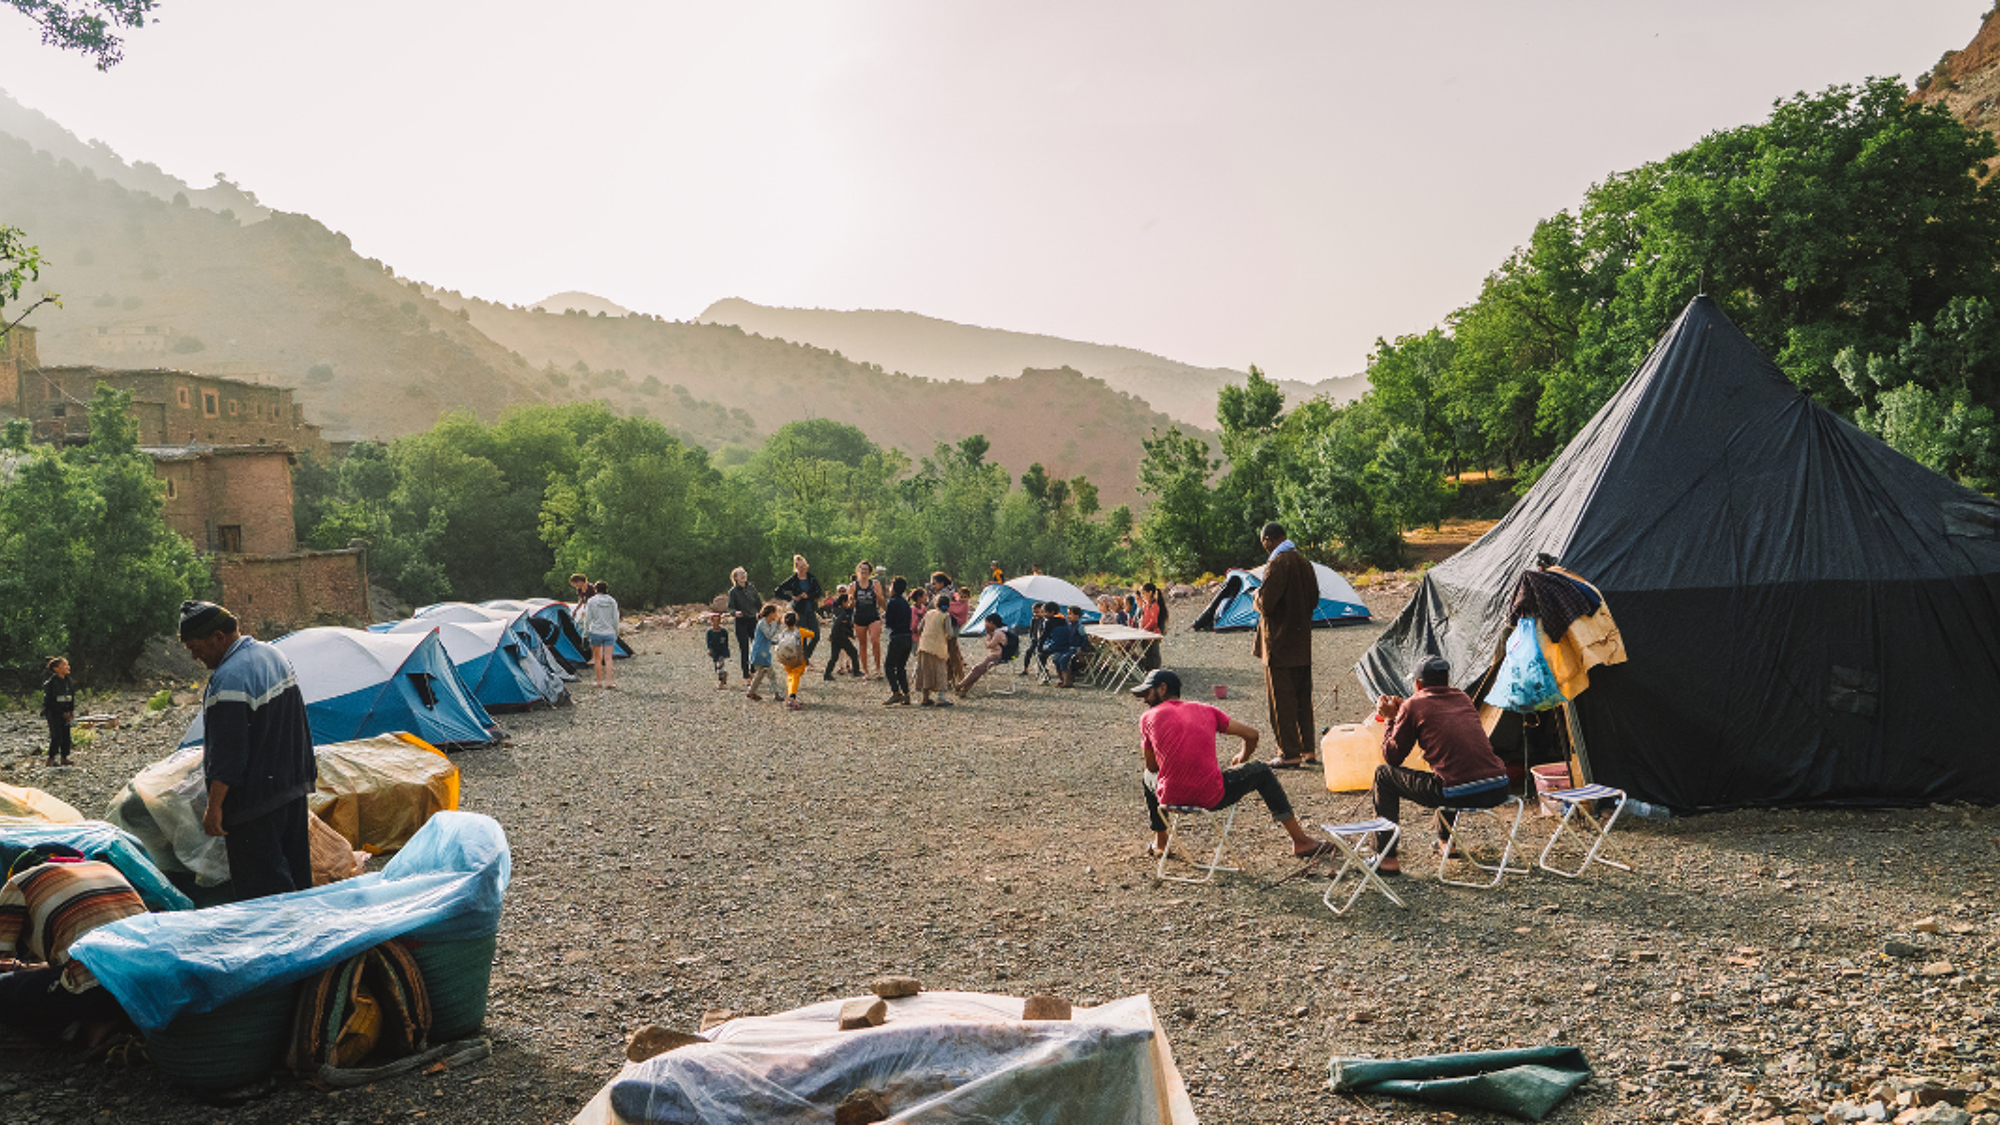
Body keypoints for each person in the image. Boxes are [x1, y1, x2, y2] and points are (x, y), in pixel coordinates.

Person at [178, 600, 316, 898]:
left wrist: (214, 807)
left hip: (254, 803)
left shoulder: (230, 678)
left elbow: (230, 751)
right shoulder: (273, 654)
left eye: (195, 646)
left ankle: (278, 942)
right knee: (297, 876)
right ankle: (307, 938)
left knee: (264, 891)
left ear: (218, 636)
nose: (194, 656)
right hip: (291, 787)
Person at [1131, 669, 1330, 860]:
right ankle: (1300, 840)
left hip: (1170, 798)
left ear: (1163, 689)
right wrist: (1242, 756)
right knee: (1261, 770)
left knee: (1146, 777)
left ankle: (1161, 842)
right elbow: (1252, 735)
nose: (1145, 699)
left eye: (1147, 693)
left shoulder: (1147, 717)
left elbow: (1152, 767)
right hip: (1212, 796)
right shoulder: (1206, 710)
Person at [1370, 656, 1512, 876]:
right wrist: (1403, 713)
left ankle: (1386, 858)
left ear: (1418, 684)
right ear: (1447, 680)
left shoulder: (1413, 705)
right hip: (1499, 788)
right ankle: (1446, 842)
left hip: (1459, 794)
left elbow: (1392, 757)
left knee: (1383, 775)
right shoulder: (1462, 697)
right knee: (1451, 766)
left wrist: (1390, 718)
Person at [0, 846, 146, 1051]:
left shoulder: (18, 883)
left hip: (94, 992)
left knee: (9, 986)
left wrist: (18, 967)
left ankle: (85, 1032)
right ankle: (117, 1024)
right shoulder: (105, 869)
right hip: (148, 985)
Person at [1254, 521, 1318, 768]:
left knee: (1281, 701)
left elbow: (1267, 603)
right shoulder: (1304, 562)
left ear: (1269, 539)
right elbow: (1313, 599)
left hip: (1278, 645)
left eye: (1264, 543)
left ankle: (1289, 753)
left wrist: (1255, 597)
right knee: (1303, 699)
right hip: (1302, 643)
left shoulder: (1277, 563)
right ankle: (1307, 749)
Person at [775, 555, 824, 664]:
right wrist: (791, 597)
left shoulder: (812, 578)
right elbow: (778, 591)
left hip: (811, 609)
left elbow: (819, 592)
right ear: (796, 567)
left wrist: (808, 595)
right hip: (799, 611)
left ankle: (806, 657)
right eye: (801, 567)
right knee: (802, 637)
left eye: (805, 566)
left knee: (816, 635)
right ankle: (803, 661)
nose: (803, 568)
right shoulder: (793, 580)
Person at [913, 588, 958, 707]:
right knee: (940, 671)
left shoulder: (929, 613)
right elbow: (950, 633)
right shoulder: (946, 616)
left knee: (925, 670)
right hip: (938, 648)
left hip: (924, 646)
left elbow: (919, 628)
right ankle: (941, 698)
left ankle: (925, 698)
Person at [956, 614, 1014, 697]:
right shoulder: (1000, 631)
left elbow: (989, 645)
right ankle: (964, 690)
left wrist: (987, 636)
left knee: (977, 669)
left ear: (991, 623)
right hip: (996, 655)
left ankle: (961, 685)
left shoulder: (998, 633)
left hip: (996, 656)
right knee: (978, 671)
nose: (985, 625)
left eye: (986, 623)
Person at [881, 576, 915, 706]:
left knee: (889, 666)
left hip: (897, 636)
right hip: (908, 636)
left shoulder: (892, 601)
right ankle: (906, 694)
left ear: (893, 589)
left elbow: (889, 622)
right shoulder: (906, 603)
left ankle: (896, 692)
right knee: (901, 667)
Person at [581, 580, 621, 690]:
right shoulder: (612, 601)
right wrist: (616, 632)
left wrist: (585, 633)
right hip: (609, 632)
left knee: (598, 659)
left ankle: (598, 682)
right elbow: (616, 619)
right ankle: (609, 682)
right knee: (608, 658)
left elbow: (588, 619)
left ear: (595, 590)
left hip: (596, 632)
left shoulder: (591, 601)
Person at [852, 561, 887, 681]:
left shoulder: (875, 584)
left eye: (866, 570)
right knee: (862, 644)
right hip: (859, 616)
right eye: (862, 569)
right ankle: (866, 671)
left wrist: (878, 596)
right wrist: (851, 601)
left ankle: (878, 669)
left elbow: (882, 603)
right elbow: (850, 606)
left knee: (875, 640)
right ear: (858, 571)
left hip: (873, 615)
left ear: (870, 572)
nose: (864, 572)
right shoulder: (853, 585)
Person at [727, 567, 761, 681]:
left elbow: (759, 604)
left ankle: (752, 670)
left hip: (753, 620)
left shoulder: (752, 589)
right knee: (744, 648)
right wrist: (735, 613)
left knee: (756, 646)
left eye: (744, 573)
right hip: (741, 621)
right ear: (736, 578)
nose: (743, 575)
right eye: (740, 574)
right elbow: (730, 608)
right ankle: (746, 676)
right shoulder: (733, 592)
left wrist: (763, 614)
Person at [775, 611, 813, 711]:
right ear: (796, 621)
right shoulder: (799, 631)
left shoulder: (783, 633)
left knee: (790, 676)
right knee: (795, 676)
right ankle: (792, 696)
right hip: (797, 659)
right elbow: (812, 634)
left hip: (785, 659)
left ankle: (789, 694)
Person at [1042, 606, 1088, 688]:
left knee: (1063, 659)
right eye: (1068, 614)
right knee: (1056, 658)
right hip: (1067, 647)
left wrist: (1081, 649)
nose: (1068, 616)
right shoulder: (1067, 625)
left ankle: (1068, 681)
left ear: (1077, 616)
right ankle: (1061, 679)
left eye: (1070, 614)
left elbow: (1085, 639)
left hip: (1075, 648)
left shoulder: (1080, 627)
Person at [822, 587, 861, 681]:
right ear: (843, 603)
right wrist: (832, 635)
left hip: (837, 638)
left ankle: (827, 674)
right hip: (841, 637)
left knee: (834, 657)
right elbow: (837, 625)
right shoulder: (843, 613)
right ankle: (856, 671)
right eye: (847, 602)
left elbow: (845, 626)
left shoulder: (838, 611)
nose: (849, 604)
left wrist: (851, 635)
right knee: (854, 653)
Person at [40, 657, 73, 767]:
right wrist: (60, 712)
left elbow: (71, 697)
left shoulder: (68, 681)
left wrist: (70, 710)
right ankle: (51, 758)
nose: (67, 667)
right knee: (57, 735)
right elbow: (50, 701)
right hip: (53, 713)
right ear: (56, 669)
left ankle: (64, 757)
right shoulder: (51, 683)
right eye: (64, 665)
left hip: (65, 712)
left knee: (66, 734)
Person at [744, 604, 780, 701]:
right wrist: (777, 626)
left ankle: (751, 692)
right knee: (771, 674)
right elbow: (768, 635)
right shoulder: (763, 623)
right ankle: (776, 694)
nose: (776, 615)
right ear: (770, 613)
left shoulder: (765, 624)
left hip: (760, 651)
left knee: (760, 674)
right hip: (761, 652)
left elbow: (767, 639)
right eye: (775, 613)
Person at [1136, 584, 1168, 671]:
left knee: (1154, 654)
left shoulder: (1154, 605)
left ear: (1150, 593)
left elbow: (1153, 621)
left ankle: (1156, 671)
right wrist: (1141, 627)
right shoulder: (1145, 605)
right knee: (1147, 653)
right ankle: (1149, 670)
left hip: (1152, 633)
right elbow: (1142, 618)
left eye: (1144, 593)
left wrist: (1145, 629)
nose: (1142, 596)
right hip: (1145, 633)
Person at [704, 613, 732, 688]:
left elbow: (726, 642)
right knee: (716, 667)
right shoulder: (709, 632)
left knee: (720, 666)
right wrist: (709, 649)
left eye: (717, 620)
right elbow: (708, 642)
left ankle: (721, 682)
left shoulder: (723, 631)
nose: (716, 622)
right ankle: (724, 675)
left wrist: (726, 652)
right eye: (714, 621)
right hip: (714, 651)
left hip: (722, 651)